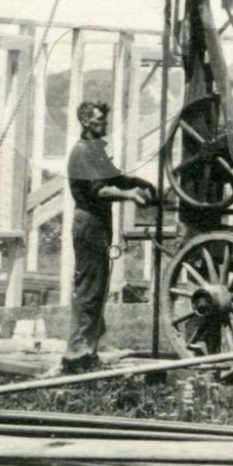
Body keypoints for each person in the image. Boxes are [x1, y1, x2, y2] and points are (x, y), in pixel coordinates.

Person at [63, 101, 157, 374]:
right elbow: (99, 190)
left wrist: (140, 183)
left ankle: (88, 348)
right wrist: (129, 195)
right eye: (100, 120)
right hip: (89, 222)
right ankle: (76, 352)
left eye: (105, 119)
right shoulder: (82, 152)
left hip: (98, 222)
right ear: (86, 122)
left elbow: (114, 177)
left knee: (97, 285)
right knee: (89, 288)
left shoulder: (95, 151)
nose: (105, 124)